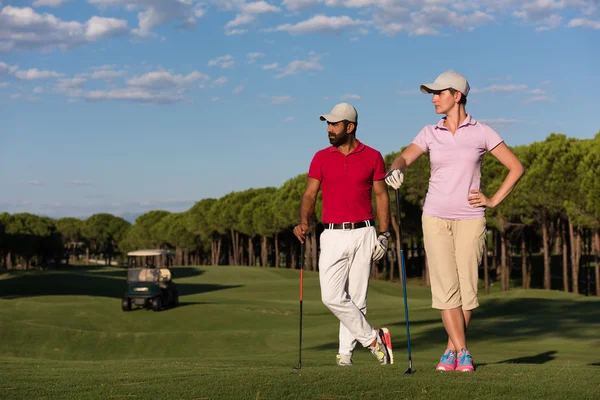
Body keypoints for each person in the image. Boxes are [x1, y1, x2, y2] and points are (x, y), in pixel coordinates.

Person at [385, 71, 524, 372]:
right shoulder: (429, 132)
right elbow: (404, 158)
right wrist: (396, 169)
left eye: (439, 93)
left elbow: (515, 167)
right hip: (434, 217)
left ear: (457, 95)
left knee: (466, 291)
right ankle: (463, 352)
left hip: (471, 219)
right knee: (446, 288)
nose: (433, 98)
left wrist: (493, 200)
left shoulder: (482, 132)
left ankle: (451, 352)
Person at [293, 102, 394, 367]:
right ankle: (374, 340)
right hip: (332, 233)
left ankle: (345, 356)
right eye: (328, 124)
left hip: (364, 232)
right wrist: (304, 221)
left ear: (350, 127)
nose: (329, 129)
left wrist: (384, 234)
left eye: (334, 124)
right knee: (332, 297)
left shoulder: (372, 156)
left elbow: (381, 196)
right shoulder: (321, 157)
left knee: (358, 298)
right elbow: (309, 194)